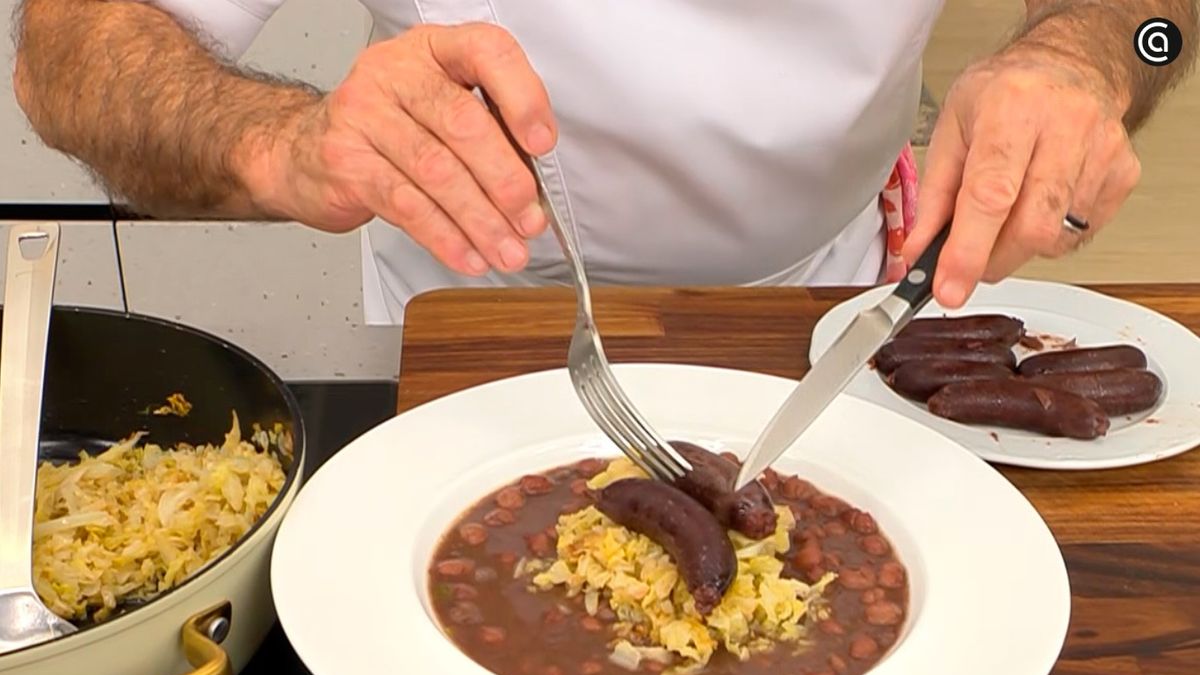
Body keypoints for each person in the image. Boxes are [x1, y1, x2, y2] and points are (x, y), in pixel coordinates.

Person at [13, 1, 1196, 326]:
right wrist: (274, 140)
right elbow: (67, 45)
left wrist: (1090, 55)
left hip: (845, 289)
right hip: (478, 313)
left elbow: (1154, 17)